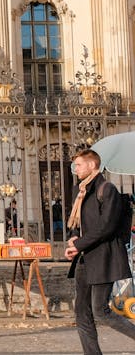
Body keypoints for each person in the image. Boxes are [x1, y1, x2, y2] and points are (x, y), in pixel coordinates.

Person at [64, 148, 135, 354]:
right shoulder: (80, 190)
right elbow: (78, 223)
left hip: (104, 257)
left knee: (100, 310)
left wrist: (79, 244)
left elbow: (106, 227)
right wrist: (75, 238)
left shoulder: (107, 189)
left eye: (78, 165)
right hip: (85, 258)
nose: (75, 169)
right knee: (81, 312)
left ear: (91, 165)